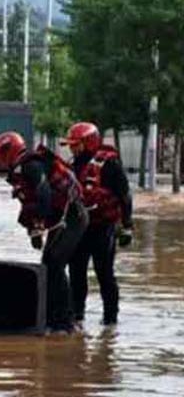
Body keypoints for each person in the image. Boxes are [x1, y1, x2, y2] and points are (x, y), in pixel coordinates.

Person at [0, 131, 89, 334]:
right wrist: (34, 228)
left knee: (55, 264)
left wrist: (39, 223)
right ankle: (53, 319)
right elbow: (33, 202)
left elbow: (44, 193)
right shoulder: (23, 167)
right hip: (63, 218)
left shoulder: (30, 165)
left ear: (9, 151)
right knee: (48, 264)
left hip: (72, 217)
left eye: (0, 157)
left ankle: (65, 323)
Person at [62, 122, 133, 326]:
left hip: (102, 228)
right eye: (71, 145)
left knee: (105, 274)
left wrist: (127, 226)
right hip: (78, 228)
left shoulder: (109, 165)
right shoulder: (71, 166)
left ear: (89, 143)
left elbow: (124, 196)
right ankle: (77, 317)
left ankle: (110, 321)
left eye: (76, 144)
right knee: (76, 273)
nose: (72, 149)